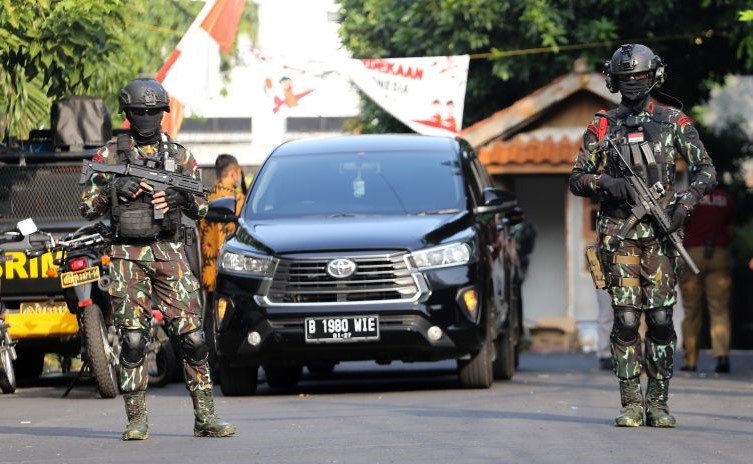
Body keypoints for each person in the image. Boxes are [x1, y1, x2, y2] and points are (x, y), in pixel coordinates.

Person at [80, 77, 235, 440]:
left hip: (170, 251)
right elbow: (87, 207)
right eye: (140, 111)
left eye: (153, 111)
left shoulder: (180, 156)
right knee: (133, 339)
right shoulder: (109, 156)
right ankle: (136, 419)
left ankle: (205, 417)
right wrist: (113, 190)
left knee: (193, 338)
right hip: (125, 255)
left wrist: (179, 200)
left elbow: (202, 205)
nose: (147, 117)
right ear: (128, 113)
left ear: (162, 114)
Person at [570, 44, 716, 428]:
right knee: (627, 320)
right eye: (625, 78)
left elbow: (705, 170)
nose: (632, 83)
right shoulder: (602, 124)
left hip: (663, 235)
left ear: (654, 77)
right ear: (613, 81)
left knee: (663, 318)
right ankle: (631, 402)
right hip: (619, 236)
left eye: (638, 76)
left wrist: (685, 204)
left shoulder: (674, 122)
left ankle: (659, 401)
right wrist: (607, 183)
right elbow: (577, 178)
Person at [678, 187, 734, 373]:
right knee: (719, 308)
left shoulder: (687, 195)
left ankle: (690, 360)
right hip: (718, 253)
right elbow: (731, 229)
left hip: (692, 253)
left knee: (691, 310)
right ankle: (722, 357)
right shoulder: (724, 198)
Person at [198, 154, 245, 361]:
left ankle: (212, 364)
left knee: (210, 319)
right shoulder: (238, 200)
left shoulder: (204, 199)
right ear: (234, 172)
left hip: (209, 269)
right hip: (233, 270)